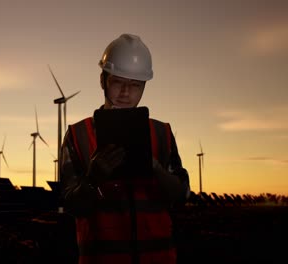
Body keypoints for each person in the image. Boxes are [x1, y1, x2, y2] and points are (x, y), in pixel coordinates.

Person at [59, 33, 191, 264]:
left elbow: (182, 196)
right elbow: (70, 205)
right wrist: (93, 178)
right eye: (118, 82)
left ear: (144, 86)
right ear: (103, 80)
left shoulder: (161, 134)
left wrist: (156, 168)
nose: (126, 93)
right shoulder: (78, 135)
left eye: (136, 85)